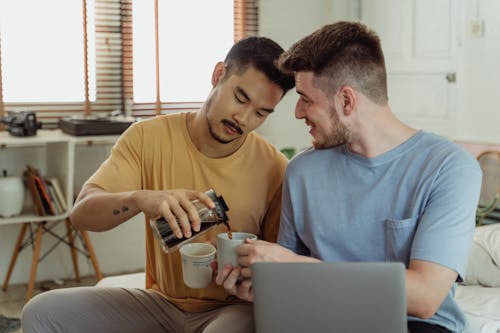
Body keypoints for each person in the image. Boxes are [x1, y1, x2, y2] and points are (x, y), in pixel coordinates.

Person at [216, 22, 482, 333]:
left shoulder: (449, 168)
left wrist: (296, 268)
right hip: (322, 319)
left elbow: (425, 297)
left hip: (414, 326)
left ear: (346, 101)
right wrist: (261, 285)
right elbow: (288, 277)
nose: (298, 113)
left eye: (306, 99)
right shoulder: (303, 172)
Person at [21, 36, 295, 333]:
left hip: (232, 310)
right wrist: (142, 200)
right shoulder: (147, 138)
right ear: (218, 75)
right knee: (42, 312)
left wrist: (251, 275)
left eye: (261, 113)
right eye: (240, 98)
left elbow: (276, 269)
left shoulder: (274, 167)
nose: (242, 118)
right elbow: (81, 214)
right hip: (162, 304)